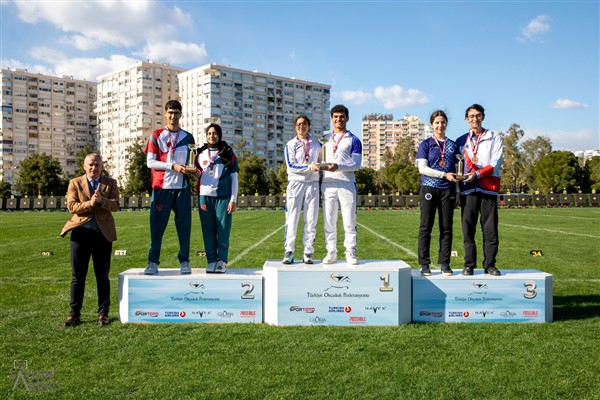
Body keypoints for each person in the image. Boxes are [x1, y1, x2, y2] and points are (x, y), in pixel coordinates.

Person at [60, 154, 119, 327]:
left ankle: (103, 313)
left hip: (103, 234)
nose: (94, 168)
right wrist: (91, 204)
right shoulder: (75, 183)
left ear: (102, 166)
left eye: (97, 165)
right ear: (84, 166)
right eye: (91, 165)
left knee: (103, 276)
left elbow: (115, 205)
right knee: (78, 277)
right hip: (80, 234)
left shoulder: (111, 183)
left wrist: (101, 201)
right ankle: (74, 313)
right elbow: (72, 206)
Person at [144, 99, 195, 275]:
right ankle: (152, 262)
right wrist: (172, 166)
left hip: (182, 187)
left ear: (181, 114)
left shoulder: (188, 137)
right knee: (156, 227)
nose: (173, 116)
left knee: (184, 226)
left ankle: (185, 261)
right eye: (170, 112)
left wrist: (192, 169)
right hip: (161, 187)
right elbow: (150, 162)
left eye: (176, 113)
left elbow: (191, 161)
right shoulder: (156, 135)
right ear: (165, 114)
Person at [455, 104, 504, 276]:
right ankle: (469, 265)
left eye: (478, 115)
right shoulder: (461, 141)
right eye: (471, 116)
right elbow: (456, 166)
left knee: (490, 230)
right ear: (466, 119)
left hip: (488, 188)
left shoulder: (494, 138)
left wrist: (477, 174)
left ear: (483, 117)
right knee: (468, 230)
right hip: (467, 189)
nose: (474, 119)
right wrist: (457, 191)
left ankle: (490, 265)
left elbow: (496, 163)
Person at [416, 110, 458, 276]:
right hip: (428, 187)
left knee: (446, 228)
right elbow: (422, 168)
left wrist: (458, 191)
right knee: (426, 227)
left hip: (448, 189)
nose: (440, 125)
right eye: (437, 122)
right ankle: (424, 263)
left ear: (446, 124)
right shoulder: (426, 144)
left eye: (443, 122)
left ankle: (445, 263)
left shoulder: (453, 145)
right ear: (431, 125)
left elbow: (456, 170)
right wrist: (443, 175)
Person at [321, 104, 362, 264]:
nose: (339, 119)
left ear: (347, 118)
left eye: (342, 116)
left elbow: (356, 165)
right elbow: (320, 160)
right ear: (331, 119)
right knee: (329, 220)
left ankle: (350, 252)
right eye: (336, 117)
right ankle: (331, 252)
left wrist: (338, 166)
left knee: (349, 220)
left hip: (347, 184)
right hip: (328, 184)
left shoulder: (354, 139)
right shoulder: (324, 138)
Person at [195, 123, 238, 273]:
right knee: (208, 231)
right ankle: (211, 260)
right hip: (204, 197)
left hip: (223, 197)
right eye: (209, 133)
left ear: (219, 135)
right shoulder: (199, 153)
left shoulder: (228, 153)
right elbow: (197, 174)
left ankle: (222, 261)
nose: (211, 136)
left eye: (214, 133)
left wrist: (233, 199)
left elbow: (234, 177)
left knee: (223, 230)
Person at [282, 115, 321, 264]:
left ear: (309, 126)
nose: (301, 127)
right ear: (295, 127)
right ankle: (289, 251)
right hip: (295, 184)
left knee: (311, 218)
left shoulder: (317, 144)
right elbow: (291, 166)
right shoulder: (290, 144)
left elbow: (321, 162)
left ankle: (308, 251)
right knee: (292, 218)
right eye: (299, 124)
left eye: (304, 124)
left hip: (312, 183)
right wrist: (309, 166)